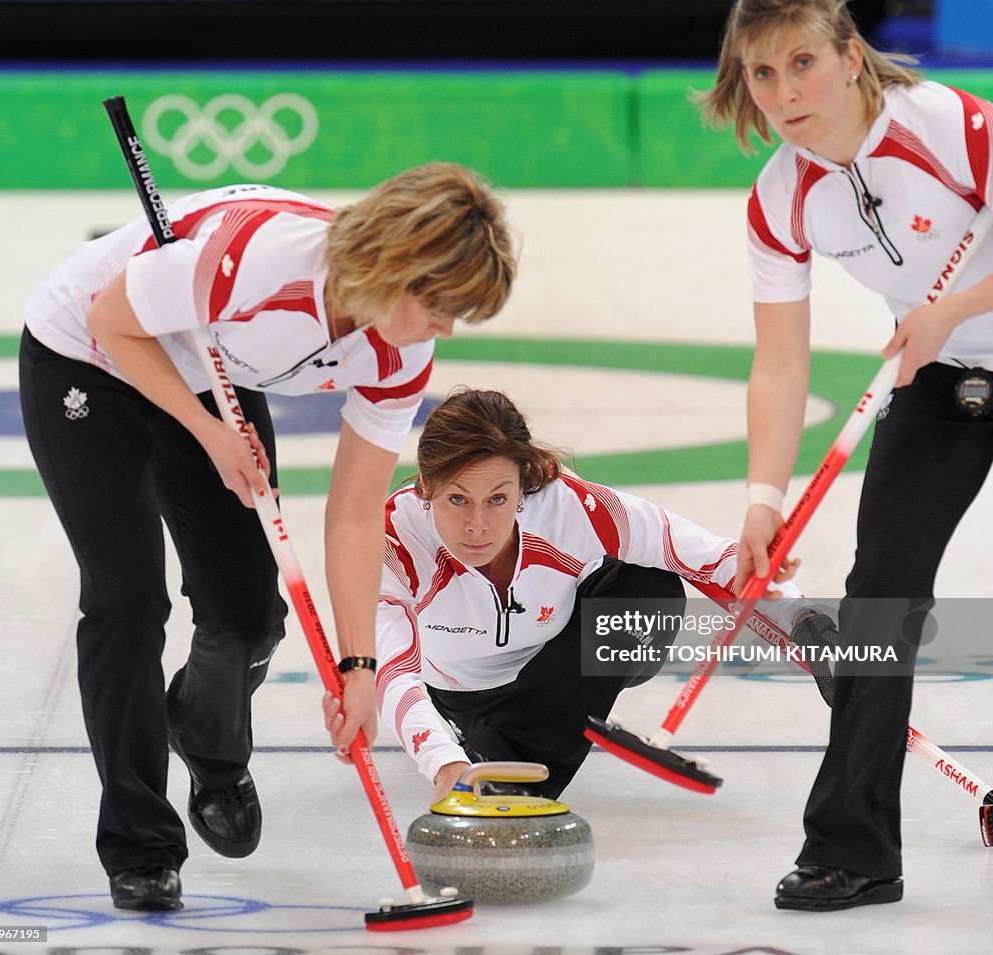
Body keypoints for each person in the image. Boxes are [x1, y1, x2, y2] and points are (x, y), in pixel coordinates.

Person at [19, 164, 516, 911]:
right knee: (127, 601)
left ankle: (208, 739)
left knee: (249, 614)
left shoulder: (399, 349)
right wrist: (207, 432)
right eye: (440, 305)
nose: (444, 329)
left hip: (209, 360)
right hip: (87, 352)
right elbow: (112, 322)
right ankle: (141, 842)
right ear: (395, 266)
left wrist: (359, 665)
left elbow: (354, 508)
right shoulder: (260, 263)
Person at [700, 0, 993, 912]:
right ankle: (853, 848)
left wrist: (949, 308)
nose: (785, 91)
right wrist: (761, 500)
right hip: (945, 386)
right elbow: (780, 365)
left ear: (851, 55)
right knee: (876, 605)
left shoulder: (948, 124)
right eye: (762, 72)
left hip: (945, 339)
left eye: (802, 63)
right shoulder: (782, 197)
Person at [321, 388, 830, 804]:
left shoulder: (568, 506)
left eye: (499, 499)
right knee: (482, 731)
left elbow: (708, 558)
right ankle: (497, 760)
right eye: (458, 499)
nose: (478, 526)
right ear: (426, 486)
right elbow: (390, 670)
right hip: (464, 701)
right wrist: (442, 761)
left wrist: (803, 619)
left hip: (558, 664)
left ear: (523, 486)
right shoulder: (394, 539)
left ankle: (515, 766)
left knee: (648, 587)